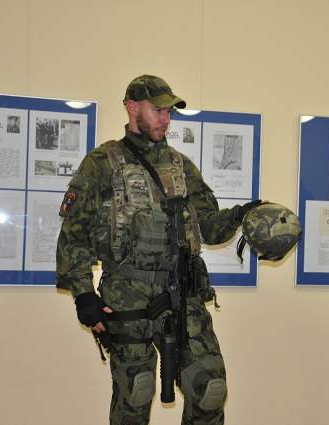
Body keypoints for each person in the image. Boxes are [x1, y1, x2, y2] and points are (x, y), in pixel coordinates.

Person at [56, 74, 260, 425]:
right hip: (127, 295)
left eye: (169, 112)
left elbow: (210, 227)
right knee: (136, 391)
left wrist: (243, 215)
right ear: (132, 107)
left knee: (210, 389)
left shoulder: (181, 167)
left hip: (182, 293)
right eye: (158, 110)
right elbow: (74, 235)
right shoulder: (102, 163)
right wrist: (83, 295)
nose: (165, 119)